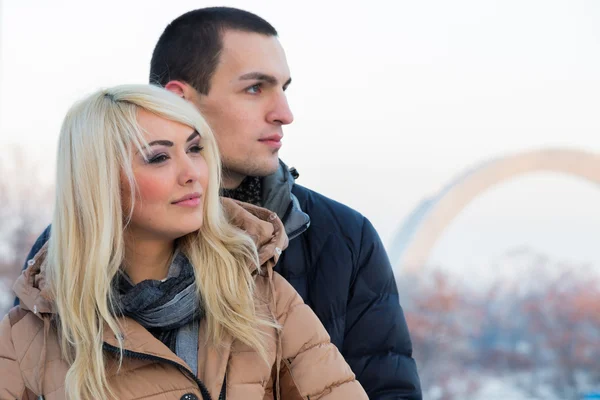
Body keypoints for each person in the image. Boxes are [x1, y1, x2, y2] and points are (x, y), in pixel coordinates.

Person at [21, 7, 421, 399]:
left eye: (284, 88)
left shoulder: (344, 239)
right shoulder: (60, 258)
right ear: (182, 101)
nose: (285, 113)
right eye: (254, 88)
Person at [0, 84, 368, 399]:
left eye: (194, 149)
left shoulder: (264, 297)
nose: (192, 173)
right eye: (158, 157)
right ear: (100, 184)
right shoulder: (26, 336)